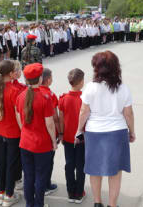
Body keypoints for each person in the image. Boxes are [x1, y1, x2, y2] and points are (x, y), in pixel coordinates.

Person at [76, 51, 135, 207]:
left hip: (94, 132)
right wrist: (132, 131)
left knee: (95, 169)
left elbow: (84, 112)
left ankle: (97, 202)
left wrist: (79, 130)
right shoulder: (123, 88)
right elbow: (128, 114)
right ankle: (112, 204)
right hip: (117, 131)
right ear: (116, 67)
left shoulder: (90, 87)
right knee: (115, 171)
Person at [15, 63, 57, 207]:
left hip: (25, 142)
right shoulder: (45, 98)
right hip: (41, 144)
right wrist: (54, 141)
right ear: (40, 79)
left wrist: (24, 131)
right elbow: (50, 124)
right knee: (40, 176)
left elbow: (18, 116)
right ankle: (39, 204)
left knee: (28, 176)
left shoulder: (20, 96)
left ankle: (30, 204)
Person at [0, 60, 22, 206]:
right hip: (13, 132)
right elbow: (18, 114)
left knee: (1, 162)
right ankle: (9, 195)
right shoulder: (15, 91)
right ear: (11, 74)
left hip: (0, 131)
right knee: (11, 164)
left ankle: (0, 193)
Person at [58, 68, 86, 203]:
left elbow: (61, 118)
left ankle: (71, 191)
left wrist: (61, 133)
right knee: (81, 165)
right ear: (80, 82)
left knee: (69, 164)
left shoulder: (63, 98)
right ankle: (79, 192)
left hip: (68, 137)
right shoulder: (84, 99)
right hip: (82, 137)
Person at [39, 68, 60, 196]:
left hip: (34, 133)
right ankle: (45, 185)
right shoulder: (50, 95)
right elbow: (55, 117)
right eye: (51, 77)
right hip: (47, 133)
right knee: (47, 162)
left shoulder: (31, 92)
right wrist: (59, 132)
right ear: (47, 80)